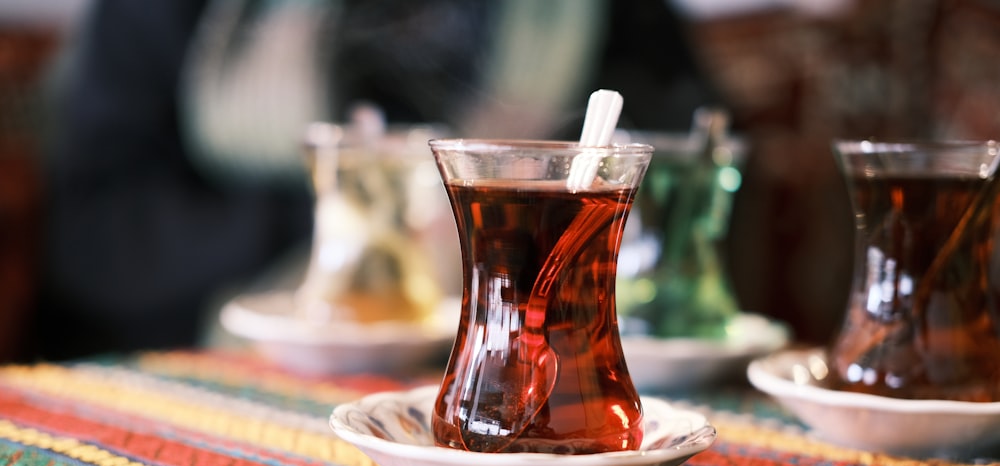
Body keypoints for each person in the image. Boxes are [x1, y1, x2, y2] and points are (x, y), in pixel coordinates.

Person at [32, 0, 722, 360]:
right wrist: (350, 217)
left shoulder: (606, 15)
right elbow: (96, 234)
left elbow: (682, 177)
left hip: (516, 357)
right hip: (211, 368)